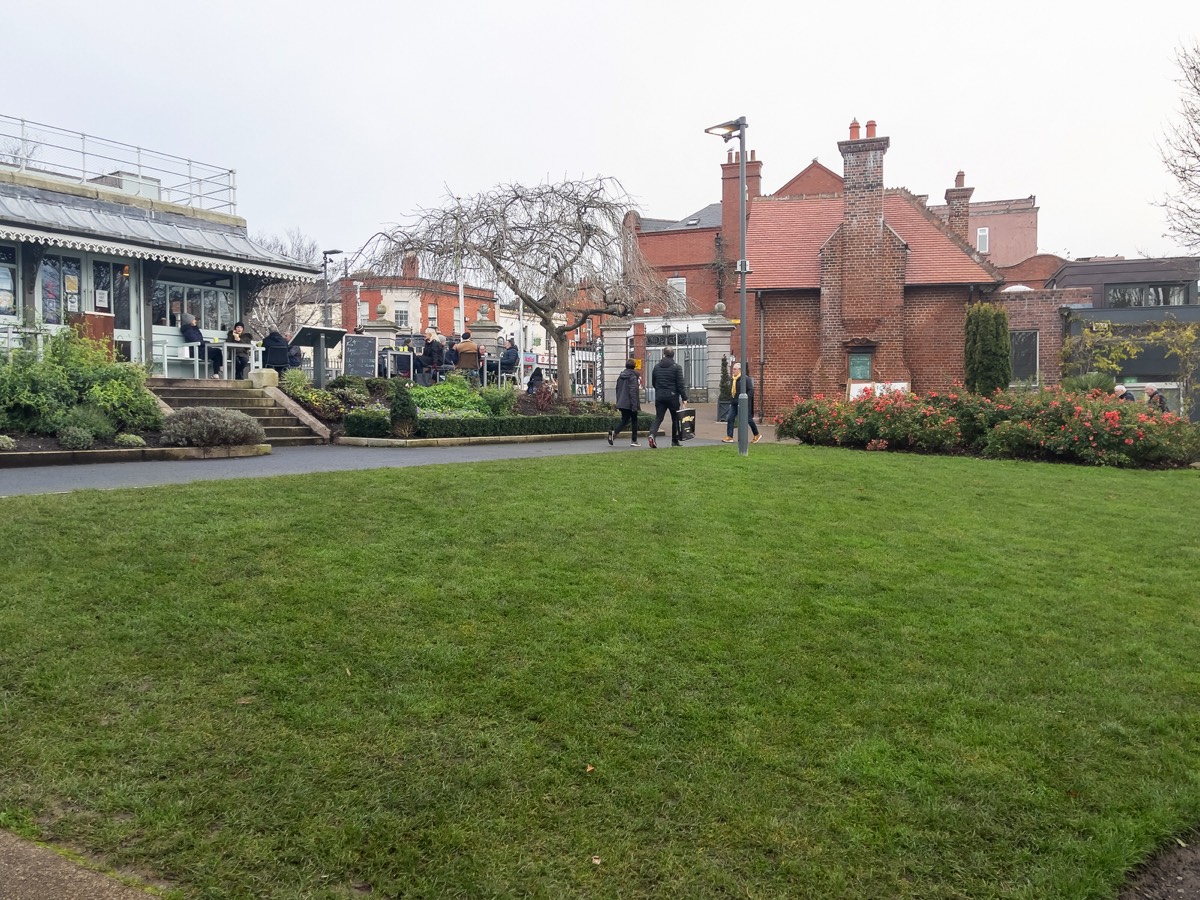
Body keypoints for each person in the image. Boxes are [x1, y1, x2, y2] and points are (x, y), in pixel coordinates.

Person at [647, 346, 688, 449]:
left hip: (660, 396)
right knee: (675, 419)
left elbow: (653, 382)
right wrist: (684, 397)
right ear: (673, 355)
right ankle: (674, 441)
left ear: (664, 354)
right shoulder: (677, 367)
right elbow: (680, 384)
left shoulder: (656, 367)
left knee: (659, 418)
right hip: (672, 396)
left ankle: (652, 434)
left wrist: (659, 390)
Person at [723, 361, 762, 444]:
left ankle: (757, 434)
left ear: (740, 370)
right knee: (730, 418)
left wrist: (746, 399)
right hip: (734, 402)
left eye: (735, 369)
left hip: (743, 403)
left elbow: (751, 390)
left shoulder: (745, 379)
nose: (733, 371)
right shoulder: (733, 379)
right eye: (733, 369)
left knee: (748, 419)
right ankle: (729, 436)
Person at [608, 358, 642, 447]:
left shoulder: (621, 376)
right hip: (630, 403)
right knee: (634, 421)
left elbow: (617, 389)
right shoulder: (633, 377)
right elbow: (633, 391)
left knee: (625, 420)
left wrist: (618, 401)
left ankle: (614, 433)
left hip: (622, 402)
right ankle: (634, 440)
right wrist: (635, 405)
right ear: (634, 366)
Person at [180, 313, 223, 378]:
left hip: (200, 349)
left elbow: (200, 340)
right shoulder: (187, 330)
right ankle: (221, 367)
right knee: (217, 351)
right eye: (194, 320)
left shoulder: (195, 329)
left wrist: (205, 343)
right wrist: (206, 343)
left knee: (216, 354)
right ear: (189, 321)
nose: (195, 321)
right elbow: (195, 340)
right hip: (195, 351)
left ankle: (216, 373)